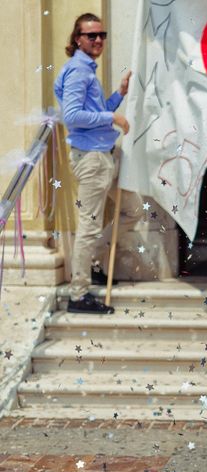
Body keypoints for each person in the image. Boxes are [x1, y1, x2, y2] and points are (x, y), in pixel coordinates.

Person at [54, 13, 143, 314]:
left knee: (132, 210)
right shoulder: (78, 71)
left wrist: (119, 94)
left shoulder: (87, 70)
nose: (98, 40)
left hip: (104, 155)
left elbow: (94, 110)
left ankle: (92, 262)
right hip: (92, 159)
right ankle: (78, 295)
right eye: (91, 35)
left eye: (101, 34)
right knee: (88, 227)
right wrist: (112, 118)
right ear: (77, 39)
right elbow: (73, 117)